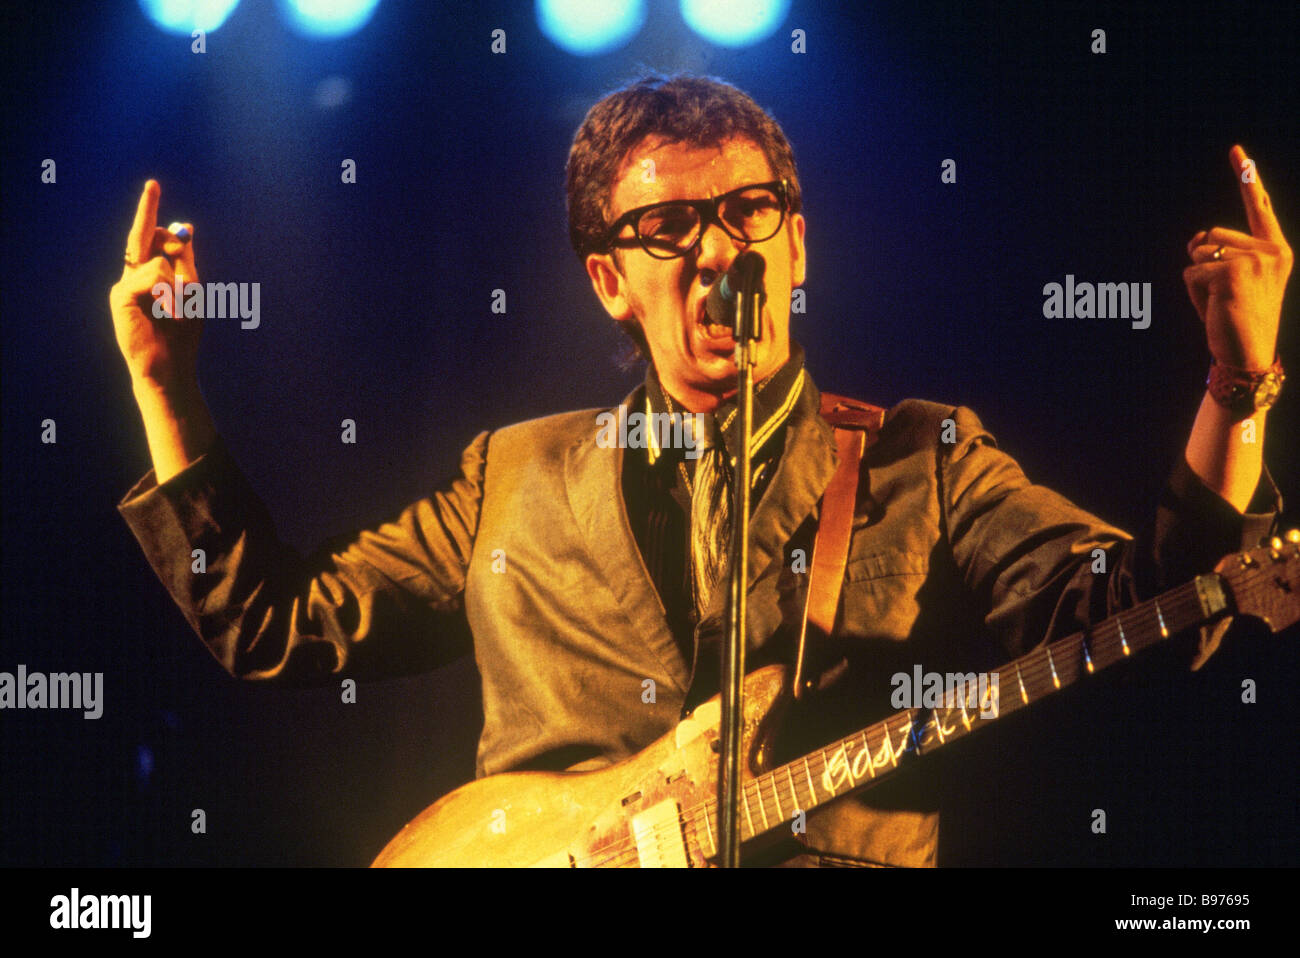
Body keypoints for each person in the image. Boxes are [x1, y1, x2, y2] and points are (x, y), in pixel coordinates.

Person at [110, 74, 1289, 867]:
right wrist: (168, 390)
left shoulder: (924, 457)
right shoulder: (511, 474)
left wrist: (1234, 390)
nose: (721, 247)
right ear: (607, 280)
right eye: (671, 227)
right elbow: (275, 623)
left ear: (798, 241)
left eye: (750, 210)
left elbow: (1147, 610)